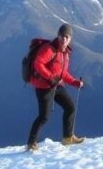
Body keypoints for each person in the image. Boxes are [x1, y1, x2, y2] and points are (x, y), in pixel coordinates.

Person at [26, 23, 85, 151]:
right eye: (62, 36)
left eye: (67, 37)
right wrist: (50, 76)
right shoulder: (49, 49)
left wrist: (75, 82)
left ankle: (68, 138)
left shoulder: (65, 53)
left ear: (70, 39)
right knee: (44, 116)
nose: (64, 39)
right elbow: (38, 64)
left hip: (56, 84)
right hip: (44, 86)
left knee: (70, 107)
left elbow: (63, 73)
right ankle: (31, 143)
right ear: (58, 36)